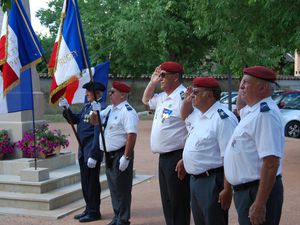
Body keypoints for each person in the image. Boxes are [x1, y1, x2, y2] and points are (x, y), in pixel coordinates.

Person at [224, 66, 285, 225]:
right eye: (241, 83)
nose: (241, 87)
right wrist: (243, 89)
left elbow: (271, 163)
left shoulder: (266, 115)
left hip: (257, 191)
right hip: (247, 191)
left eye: (246, 83)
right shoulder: (253, 110)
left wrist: (259, 203)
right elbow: (240, 108)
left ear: (262, 87)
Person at [180, 77, 238, 225]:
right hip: (195, 180)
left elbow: (229, 156)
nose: (192, 95)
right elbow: (198, 142)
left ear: (210, 95)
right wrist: (185, 160)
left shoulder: (222, 118)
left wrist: (227, 189)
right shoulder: (200, 115)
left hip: (212, 181)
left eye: (196, 92)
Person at [142, 61, 190, 225]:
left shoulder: (184, 97)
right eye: (159, 75)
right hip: (164, 158)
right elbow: (145, 100)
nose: (160, 78)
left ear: (176, 77)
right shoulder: (163, 97)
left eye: (163, 75)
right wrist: (152, 82)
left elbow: (192, 129)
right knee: (168, 202)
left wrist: (185, 158)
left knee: (179, 203)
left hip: (177, 156)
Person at [91, 81, 138, 225]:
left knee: (122, 188)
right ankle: (117, 216)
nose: (110, 95)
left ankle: (123, 219)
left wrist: (126, 157)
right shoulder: (111, 109)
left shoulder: (128, 111)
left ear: (122, 95)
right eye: (110, 92)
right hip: (109, 154)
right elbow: (95, 122)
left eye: (113, 92)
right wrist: (95, 110)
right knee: (114, 188)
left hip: (120, 154)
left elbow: (131, 135)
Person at [58, 81, 105, 223]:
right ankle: (88, 207)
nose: (86, 94)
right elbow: (76, 119)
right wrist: (67, 109)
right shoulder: (87, 106)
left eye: (88, 92)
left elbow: (99, 133)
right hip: (83, 150)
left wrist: (95, 154)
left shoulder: (101, 109)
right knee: (85, 183)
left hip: (91, 152)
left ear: (97, 94)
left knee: (92, 183)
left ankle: (94, 211)